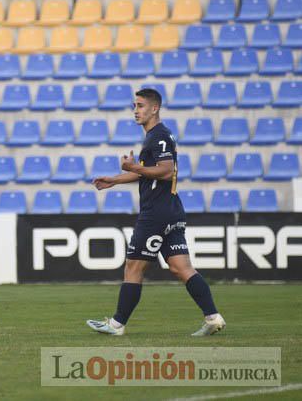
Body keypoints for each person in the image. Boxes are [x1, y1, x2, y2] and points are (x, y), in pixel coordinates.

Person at [86, 89, 226, 337]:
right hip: (171, 210)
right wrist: (116, 179)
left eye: (140, 106)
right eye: (134, 106)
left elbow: (164, 170)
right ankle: (213, 317)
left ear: (154, 108)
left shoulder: (158, 136)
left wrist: (130, 166)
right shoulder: (155, 136)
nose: (136, 110)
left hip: (156, 214)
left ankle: (117, 324)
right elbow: (147, 171)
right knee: (181, 268)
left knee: (133, 267)